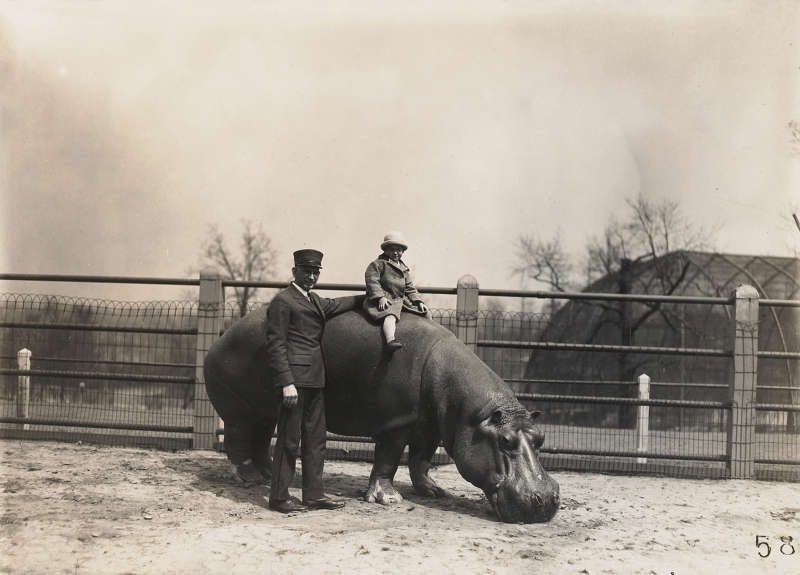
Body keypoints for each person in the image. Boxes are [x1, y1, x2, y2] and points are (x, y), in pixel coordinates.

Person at [266, 249, 362, 513]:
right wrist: (285, 382)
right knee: (288, 440)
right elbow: (275, 345)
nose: (311, 276)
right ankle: (278, 498)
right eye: (306, 271)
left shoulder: (315, 300)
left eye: (316, 272)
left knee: (316, 440)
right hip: (293, 383)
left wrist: (372, 296)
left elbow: (340, 304)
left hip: (316, 381)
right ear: (294, 271)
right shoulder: (283, 301)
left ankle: (314, 495)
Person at [363, 231, 429, 352]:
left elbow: (409, 287)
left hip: (400, 299)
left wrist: (418, 301)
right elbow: (372, 281)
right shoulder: (378, 264)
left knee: (424, 312)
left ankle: (430, 340)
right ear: (385, 250)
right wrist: (380, 297)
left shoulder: (403, 268)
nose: (395, 253)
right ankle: (390, 340)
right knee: (390, 315)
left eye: (398, 250)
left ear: (403, 251)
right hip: (385, 298)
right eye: (392, 249)